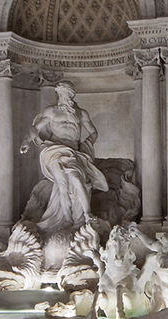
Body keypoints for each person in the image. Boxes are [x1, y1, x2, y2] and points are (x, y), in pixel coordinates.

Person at [20, 82, 107, 238]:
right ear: (59, 94)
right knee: (62, 182)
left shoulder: (81, 113)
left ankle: (87, 214)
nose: (67, 97)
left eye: (69, 94)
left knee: (76, 178)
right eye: (64, 94)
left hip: (73, 152)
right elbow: (35, 129)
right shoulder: (51, 111)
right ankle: (67, 218)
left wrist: (87, 144)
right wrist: (26, 141)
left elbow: (93, 132)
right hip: (54, 150)